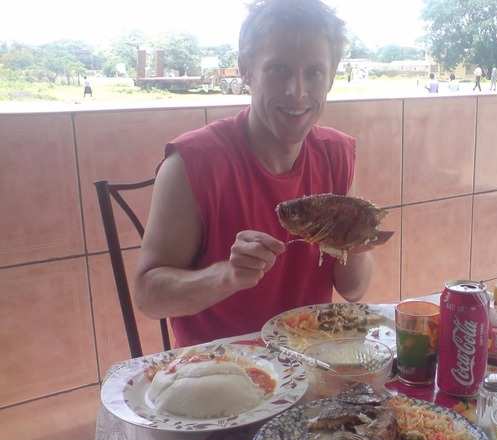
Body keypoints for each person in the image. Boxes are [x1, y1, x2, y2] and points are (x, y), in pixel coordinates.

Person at [134, 0, 376, 347]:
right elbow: (148, 295)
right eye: (279, 69)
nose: (298, 91)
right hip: (222, 375)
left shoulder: (337, 155)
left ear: (332, 77)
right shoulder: (193, 163)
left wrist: (353, 235)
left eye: (314, 72)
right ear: (246, 70)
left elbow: (354, 289)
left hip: (311, 364)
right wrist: (226, 277)